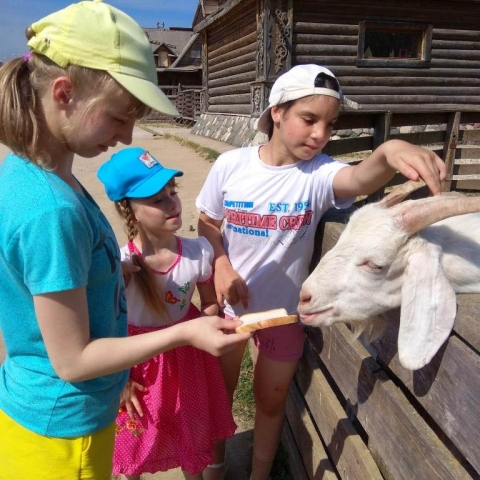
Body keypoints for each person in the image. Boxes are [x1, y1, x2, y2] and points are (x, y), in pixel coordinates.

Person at [0, 2, 250, 479]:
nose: (127, 135)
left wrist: (110, 272)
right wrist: (183, 332)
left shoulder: (28, 172)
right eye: (118, 118)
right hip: (63, 433)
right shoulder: (51, 208)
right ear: (64, 93)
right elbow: (73, 361)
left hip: (33, 408)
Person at [195, 64, 447, 480]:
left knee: (271, 401)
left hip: (285, 313)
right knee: (219, 396)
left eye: (329, 125)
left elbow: (360, 179)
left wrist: (387, 152)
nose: (319, 134)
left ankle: (259, 475)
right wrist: (220, 263)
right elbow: (206, 221)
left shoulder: (318, 174)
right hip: (230, 310)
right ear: (277, 112)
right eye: (308, 120)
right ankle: (215, 469)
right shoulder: (231, 165)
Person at [97, 147, 236, 480]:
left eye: (172, 193)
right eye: (158, 200)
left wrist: (211, 322)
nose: (173, 204)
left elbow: (209, 302)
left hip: (188, 360)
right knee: (134, 447)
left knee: (192, 436)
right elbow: (106, 327)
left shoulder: (198, 252)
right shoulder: (118, 265)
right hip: (139, 367)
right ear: (128, 209)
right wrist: (123, 379)